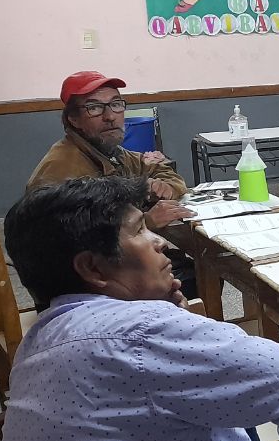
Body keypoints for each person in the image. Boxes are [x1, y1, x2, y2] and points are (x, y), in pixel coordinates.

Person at [0, 177, 279, 441]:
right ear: (93, 267)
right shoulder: (140, 334)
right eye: (139, 230)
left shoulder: (37, 342)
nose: (159, 241)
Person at [27, 71, 197, 292]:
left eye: (116, 104)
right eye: (94, 107)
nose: (110, 116)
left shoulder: (108, 152)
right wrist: (147, 222)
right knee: (194, 277)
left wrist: (165, 186)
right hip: (84, 284)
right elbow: (71, 246)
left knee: (194, 268)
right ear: (73, 119)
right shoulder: (61, 170)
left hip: (115, 264)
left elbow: (159, 168)